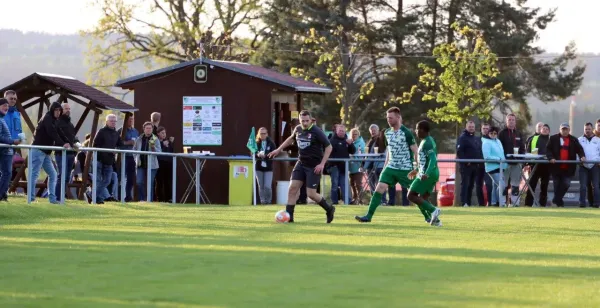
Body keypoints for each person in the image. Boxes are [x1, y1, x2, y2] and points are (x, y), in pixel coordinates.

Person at [355, 107, 439, 223]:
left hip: (405, 169)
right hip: (390, 167)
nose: (388, 120)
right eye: (387, 118)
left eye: (391, 118)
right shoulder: (387, 133)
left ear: (398, 118)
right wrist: (385, 168)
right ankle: (368, 216)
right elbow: (389, 151)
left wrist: (417, 169)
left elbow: (416, 151)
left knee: (414, 195)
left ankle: (429, 216)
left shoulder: (406, 133)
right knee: (379, 188)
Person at [267, 110, 335, 223]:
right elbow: (291, 138)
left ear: (311, 120)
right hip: (301, 163)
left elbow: (329, 147)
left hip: (314, 166)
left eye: (307, 121)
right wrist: (278, 149)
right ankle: (289, 218)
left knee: (311, 194)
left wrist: (322, 164)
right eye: (302, 121)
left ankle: (329, 209)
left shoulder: (317, 131)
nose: (304, 123)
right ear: (299, 120)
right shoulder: (298, 129)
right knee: (292, 188)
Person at [30, 102, 71, 204]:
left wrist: (69, 142)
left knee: (53, 174)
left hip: (46, 152)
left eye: (59, 110)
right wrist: (63, 144)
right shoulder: (47, 118)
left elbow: (60, 132)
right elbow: (51, 132)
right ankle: (30, 198)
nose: (58, 112)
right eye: (56, 110)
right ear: (52, 110)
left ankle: (52, 199)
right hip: (38, 150)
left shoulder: (55, 120)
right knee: (34, 174)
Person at [407, 120, 442, 226]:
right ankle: (436, 221)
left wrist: (426, 173)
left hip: (428, 174)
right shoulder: (426, 140)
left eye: (417, 129)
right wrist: (416, 170)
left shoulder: (427, 142)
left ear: (422, 130)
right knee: (423, 198)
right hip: (429, 173)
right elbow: (425, 160)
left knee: (411, 195)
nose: (415, 131)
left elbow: (432, 159)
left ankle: (434, 210)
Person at [546, 123, 585, 207]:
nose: (564, 131)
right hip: (556, 167)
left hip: (568, 168)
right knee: (556, 186)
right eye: (563, 129)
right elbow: (548, 150)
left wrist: (582, 156)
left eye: (566, 129)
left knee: (566, 184)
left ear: (569, 130)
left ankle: (555, 200)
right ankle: (559, 204)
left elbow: (580, 149)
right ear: (559, 130)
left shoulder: (574, 139)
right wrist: (551, 158)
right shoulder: (553, 138)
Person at [89, 114, 123, 204]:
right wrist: (106, 151)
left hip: (109, 161)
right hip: (99, 160)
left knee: (107, 181)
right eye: (111, 121)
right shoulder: (101, 131)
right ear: (107, 122)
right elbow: (95, 145)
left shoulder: (116, 133)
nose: (113, 122)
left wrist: (117, 150)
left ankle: (91, 194)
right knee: (98, 180)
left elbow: (120, 145)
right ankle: (98, 198)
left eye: (114, 121)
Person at [363, 124, 396, 205]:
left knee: (380, 185)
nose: (373, 132)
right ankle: (380, 201)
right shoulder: (374, 141)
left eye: (375, 130)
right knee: (379, 185)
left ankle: (381, 201)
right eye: (372, 130)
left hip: (379, 166)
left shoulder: (380, 141)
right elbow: (370, 155)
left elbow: (371, 156)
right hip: (377, 166)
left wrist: (365, 166)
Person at [498, 114, 526, 206]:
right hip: (505, 163)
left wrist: (521, 159)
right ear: (506, 121)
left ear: (515, 121)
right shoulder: (502, 133)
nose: (511, 121)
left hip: (516, 164)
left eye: (513, 120)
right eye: (509, 120)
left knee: (515, 185)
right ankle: (503, 203)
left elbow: (522, 148)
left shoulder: (519, 133)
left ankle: (514, 203)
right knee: (504, 185)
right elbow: (499, 148)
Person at [55, 102, 79, 201]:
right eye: (66, 109)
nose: (68, 110)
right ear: (61, 110)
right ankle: (57, 197)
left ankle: (61, 196)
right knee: (62, 176)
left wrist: (77, 143)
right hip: (61, 154)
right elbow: (56, 137)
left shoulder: (70, 124)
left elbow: (73, 138)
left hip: (70, 154)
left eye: (69, 109)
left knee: (67, 177)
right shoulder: (57, 122)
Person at [328, 124, 356, 204]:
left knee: (345, 184)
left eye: (343, 131)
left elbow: (353, 151)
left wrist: (350, 144)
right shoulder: (332, 140)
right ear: (336, 131)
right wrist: (345, 143)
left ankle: (347, 201)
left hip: (344, 166)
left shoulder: (347, 140)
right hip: (334, 166)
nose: (342, 132)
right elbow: (331, 151)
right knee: (335, 184)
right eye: (340, 131)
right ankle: (334, 201)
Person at [456, 121, 482, 206]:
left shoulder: (475, 138)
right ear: (466, 127)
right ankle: (464, 202)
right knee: (465, 184)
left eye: (473, 127)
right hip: (466, 166)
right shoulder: (462, 138)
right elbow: (459, 151)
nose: (471, 128)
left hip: (475, 165)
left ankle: (468, 202)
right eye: (470, 127)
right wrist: (466, 161)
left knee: (471, 185)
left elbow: (478, 150)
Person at [0, 98, 21, 202]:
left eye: (7, 106)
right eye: (4, 105)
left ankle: (3, 195)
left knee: (6, 174)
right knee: (6, 173)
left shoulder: (2, 119)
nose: (6, 108)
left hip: (6, 151)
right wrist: (12, 141)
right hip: (4, 151)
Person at [134, 122, 161, 202]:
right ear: (144, 129)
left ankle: (149, 200)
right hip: (140, 164)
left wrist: (153, 148)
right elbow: (134, 150)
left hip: (152, 166)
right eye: (147, 128)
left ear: (152, 129)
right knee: (139, 182)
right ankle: (142, 199)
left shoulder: (155, 139)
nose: (149, 130)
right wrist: (136, 158)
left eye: (150, 128)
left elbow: (159, 152)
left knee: (150, 184)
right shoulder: (139, 138)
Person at [525, 124, 550, 207]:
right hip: (535, 166)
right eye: (543, 128)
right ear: (540, 130)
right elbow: (528, 151)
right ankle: (528, 204)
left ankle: (542, 205)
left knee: (544, 187)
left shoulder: (551, 140)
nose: (545, 130)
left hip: (546, 167)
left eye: (547, 129)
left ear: (549, 131)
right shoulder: (534, 138)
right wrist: (528, 162)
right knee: (531, 186)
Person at [482, 126, 507, 207]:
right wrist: (498, 159)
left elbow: (501, 153)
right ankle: (501, 203)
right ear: (488, 133)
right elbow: (487, 157)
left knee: (496, 185)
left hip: (500, 166)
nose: (493, 134)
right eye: (491, 133)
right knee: (501, 185)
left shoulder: (498, 141)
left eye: (495, 133)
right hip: (492, 167)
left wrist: (503, 162)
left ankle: (494, 202)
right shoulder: (486, 142)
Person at [577, 123, 600, 208]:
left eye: (589, 129)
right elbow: (577, 152)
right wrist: (579, 160)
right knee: (583, 186)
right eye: (586, 129)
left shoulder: (598, 140)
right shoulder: (579, 139)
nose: (587, 131)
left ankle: (596, 204)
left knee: (596, 186)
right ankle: (582, 204)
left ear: (592, 129)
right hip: (583, 166)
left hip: (595, 165)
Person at [117, 115, 139, 202]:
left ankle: (128, 197)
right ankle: (119, 196)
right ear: (125, 120)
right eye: (129, 120)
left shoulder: (135, 131)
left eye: (132, 120)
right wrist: (128, 142)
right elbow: (118, 143)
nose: (130, 121)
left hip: (132, 157)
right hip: (123, 157)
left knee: (131, 177)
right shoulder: (120, 131)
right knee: (121, 177)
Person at [254, 127, 276, 204]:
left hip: (268, 167)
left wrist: (265, 156)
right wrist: (258, 155)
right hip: (258, 167)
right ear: (258, 134)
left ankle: (268, 201)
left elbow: (274, 154)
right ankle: (262, 201)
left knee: (267, 186)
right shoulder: (256, 143)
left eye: (264, 133)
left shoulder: (271, 143)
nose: (263, 135)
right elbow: (253, 153)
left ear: (267, 134)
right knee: (261, 185)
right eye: (261, 133)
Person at [155, 126, 174, 202]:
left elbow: (171, 151)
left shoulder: (168, 141)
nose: (164, 134)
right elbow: (157, 151)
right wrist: (162, 144)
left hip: (168, 164)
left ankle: (169, 198)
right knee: (159, 181)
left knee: (168, 181)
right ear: (158, 134)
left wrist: (171, 143)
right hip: (160, 164)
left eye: (165, 133)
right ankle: (159, 199)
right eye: (162, 133)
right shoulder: (156, 141)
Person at [477, 123, 493, 206]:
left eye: (487, 128)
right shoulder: (477, 140)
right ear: (481, 129)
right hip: (478, 166)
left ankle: (490, 203)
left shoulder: (492, 140)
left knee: (489, 185)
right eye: (484, 128)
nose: (485, 130)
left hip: (489, 166)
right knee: (478, 186)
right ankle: (481, 204)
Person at [349, 128, 365, 204]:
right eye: (352, 134)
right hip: (350, 167)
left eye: (355, 134)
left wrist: (354, 158)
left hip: (358, 166)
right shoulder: (349, 142)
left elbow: (362, 154)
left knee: (358, 184)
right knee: (352, 184)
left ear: (358, 135)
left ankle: (360, 200)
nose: (354, 136)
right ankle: (354, 199)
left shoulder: (361, 143)